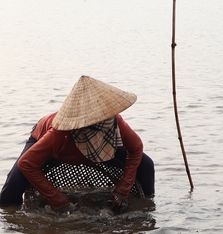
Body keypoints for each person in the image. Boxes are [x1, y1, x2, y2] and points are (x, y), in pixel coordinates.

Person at [0, 76, 155, 213]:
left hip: (105, 146)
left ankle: (148, 205)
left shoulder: (114, 122)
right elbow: (27, 163)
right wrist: (57, 199)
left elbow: (136, 149)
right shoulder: (59, 134)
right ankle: (10, 217)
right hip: (56, 149)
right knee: (15, 181)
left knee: (146, 165)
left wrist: (123, 189)